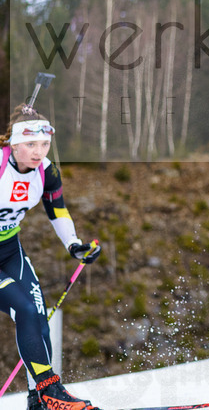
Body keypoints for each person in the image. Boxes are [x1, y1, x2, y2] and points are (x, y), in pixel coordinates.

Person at [1, 104, 103, 409]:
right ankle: (50, 391)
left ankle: (39, 400)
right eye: (31, 144)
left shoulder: (46, 171)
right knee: (24, 310)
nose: (39, 152)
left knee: (37, 316)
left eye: (44, 144)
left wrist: (74, 244)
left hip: (9, 250)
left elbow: (57, 209)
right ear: (14, 144)